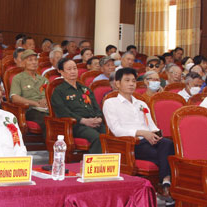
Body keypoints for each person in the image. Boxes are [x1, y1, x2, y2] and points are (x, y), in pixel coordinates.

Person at [104, 67, 175, 199]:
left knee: (168, 144)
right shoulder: (110, 103)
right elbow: (116, 130)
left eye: (133, 81)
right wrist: (141, 133)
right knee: (167, 156)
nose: (131, 84)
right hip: (131, 144)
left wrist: (155, 134)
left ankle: (165, 183)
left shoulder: (141, 103)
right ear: (117, 83)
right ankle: (166, 186)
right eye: (127, 81)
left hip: (149, 140)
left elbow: (152, 126)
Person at [50, 58, 105, 154]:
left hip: (94, 122)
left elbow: (96, 107)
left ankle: (113, 161)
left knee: (110, 135)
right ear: (61, 72)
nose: (73, 71)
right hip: (76, 125)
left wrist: (99, 118)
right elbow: (63, 112)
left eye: (75, 68)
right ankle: (95, 162)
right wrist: (83, 120)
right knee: (97, 137)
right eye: (69, 69)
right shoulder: (59, 91)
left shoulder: (84, 88)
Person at [10, 49, 49, 126]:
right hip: (30, 110)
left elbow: (51, 94)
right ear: (23, 63)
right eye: (30, 60)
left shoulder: (43, 79)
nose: (34, 62)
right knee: (46, 121)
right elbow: (15, 98)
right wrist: (35, 103)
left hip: (46, 109)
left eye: (35, 60)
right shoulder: (18, 78)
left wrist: (46, 99)